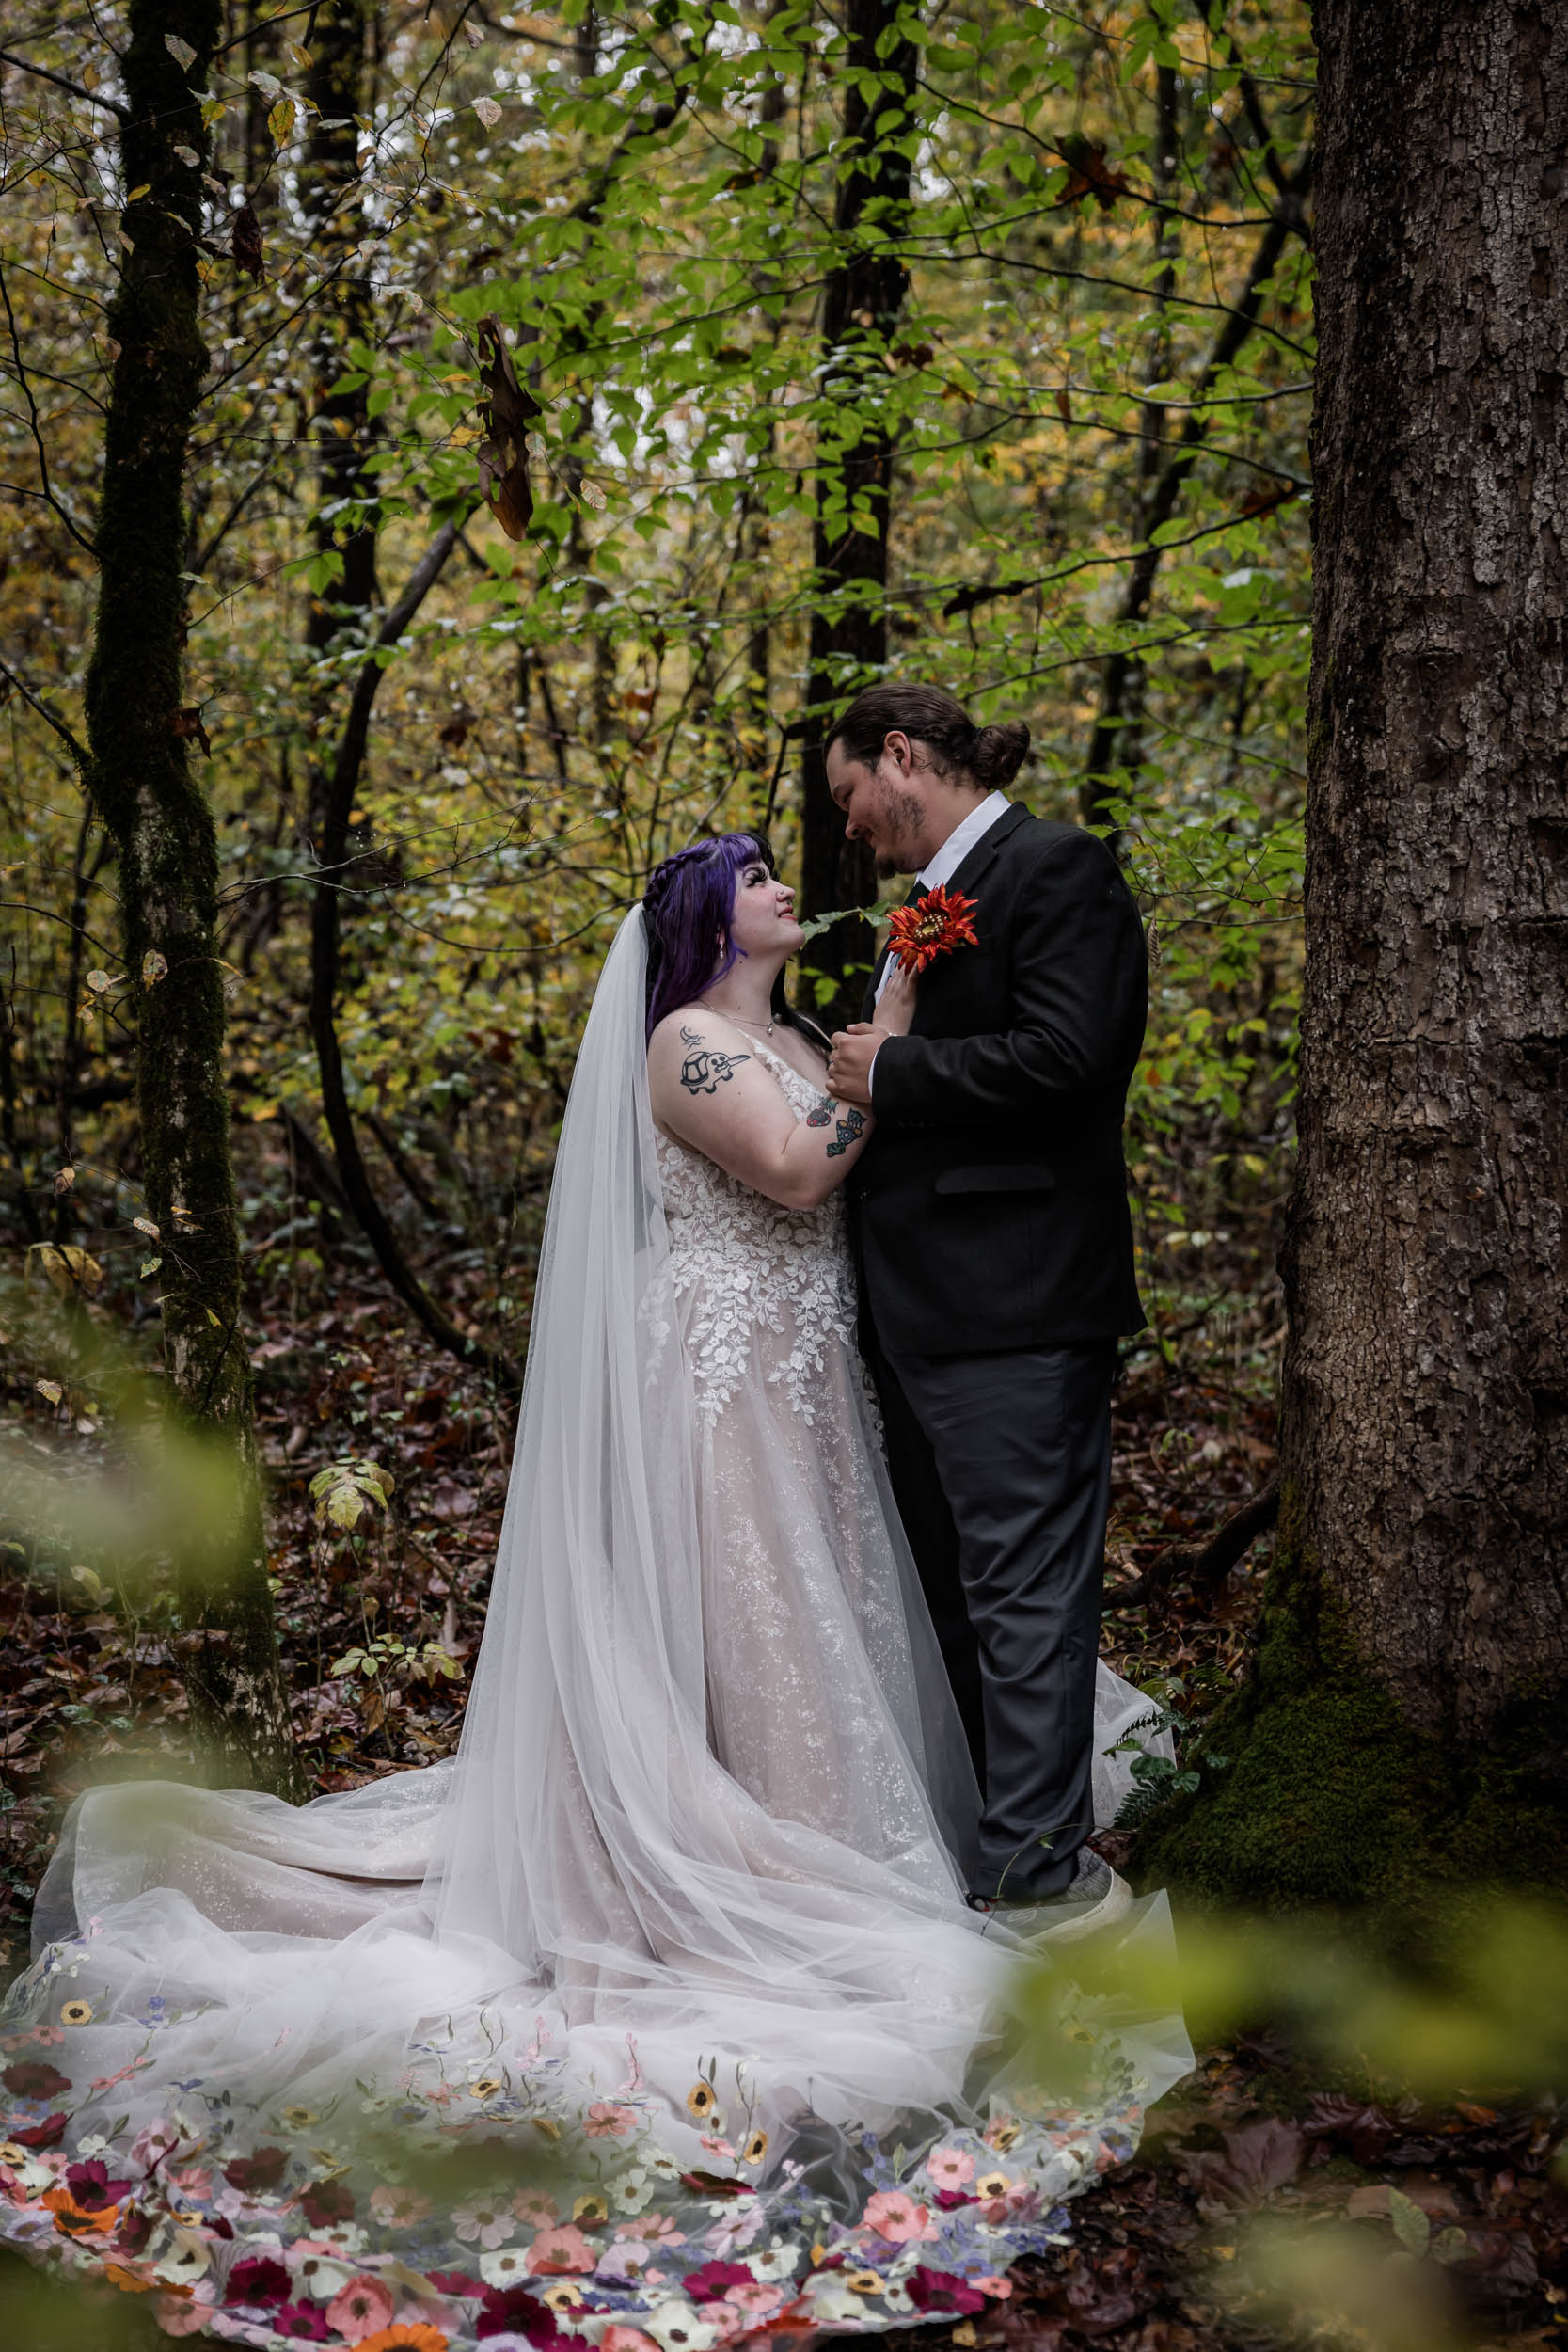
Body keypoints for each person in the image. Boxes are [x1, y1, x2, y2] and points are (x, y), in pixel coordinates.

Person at [0, 832, 1184, 2345]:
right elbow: (799, 1167)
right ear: (706, 919)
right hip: (721, 1388)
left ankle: (827, 1825)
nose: (781, 884)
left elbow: (850, 1142)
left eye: (777, 867)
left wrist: (882, 1050)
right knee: (754, 1623)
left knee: (826, 1621)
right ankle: (755, 1862)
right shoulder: (687, 1042)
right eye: (753, 875)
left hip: (811, 1377)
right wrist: (892, 1039)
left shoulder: (793, 1038)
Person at [822, 684, 1149, 1915]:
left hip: (1018, 1305)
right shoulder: (924, 905)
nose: (849, 825)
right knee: (949, 1594)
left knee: (1025, 1596)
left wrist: (898, 1070)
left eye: (851, 795)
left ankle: (1035, 1877)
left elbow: (1075, 1060)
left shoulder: (1058, 869)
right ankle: (982, 1848)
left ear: (902, 756)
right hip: (917, 1315)